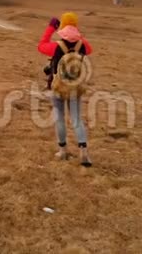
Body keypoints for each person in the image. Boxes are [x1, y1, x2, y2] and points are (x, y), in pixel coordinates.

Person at [37, 12, 93, 167]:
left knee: (60, 118)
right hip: (75, 87)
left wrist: (50, 28)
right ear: (75, 26)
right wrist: (78, 36)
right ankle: (83, 151)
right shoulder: (82, 45)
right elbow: (90, 49)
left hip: (59, 87)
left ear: (62, 27)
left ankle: (63, 151)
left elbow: (41, 45)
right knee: (76, 119)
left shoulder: (56, 46)